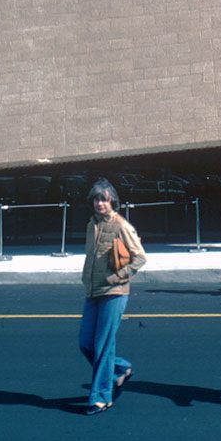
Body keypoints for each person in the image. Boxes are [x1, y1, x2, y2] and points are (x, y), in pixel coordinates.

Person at [79, 178, 147, 415]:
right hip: (92, 291)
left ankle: (100, 397)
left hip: (114, 292)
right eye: (97, 199)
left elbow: (139, 258)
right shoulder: (91, 225)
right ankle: (121, 369)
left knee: (102, 345)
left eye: (105, 199)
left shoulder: (121, 226)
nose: (100, 204)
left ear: (113, 202)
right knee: (86, 343)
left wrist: (118, 277)